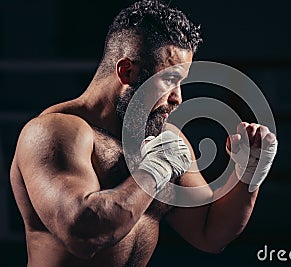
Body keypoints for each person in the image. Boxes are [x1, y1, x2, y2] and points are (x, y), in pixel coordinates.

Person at [10, 1, 277, 266]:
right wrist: (155, 170)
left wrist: (248, 171)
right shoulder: (54, 132)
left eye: (181, 83)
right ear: (126, 71)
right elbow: (85, 234)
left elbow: (210, 233)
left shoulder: (163, 138)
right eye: (169, 81)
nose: (178, 98)